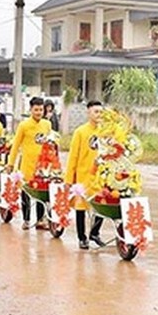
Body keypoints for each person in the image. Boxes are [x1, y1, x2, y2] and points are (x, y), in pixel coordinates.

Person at [64, 100, 105, 249]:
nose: (99, 114)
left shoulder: (105, 131)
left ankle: (95, 232)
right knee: (80, 207)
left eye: (101, 112)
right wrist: (69, 179)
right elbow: (73, 156)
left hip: (100, 176)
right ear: (88, 113)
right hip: (83, 176)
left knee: (102, 204)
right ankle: (82, 237)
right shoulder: (80, 132)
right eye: (96, 112)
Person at [8, 97, 52, 230]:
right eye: (36, 109)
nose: (39, 112)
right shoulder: (24, 125)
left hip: (42, 166)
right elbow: (15, 146)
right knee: (26, 192)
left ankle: (40, 220)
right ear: (30, 110)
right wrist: (11, 163)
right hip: (27, 165)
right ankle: (26, 219)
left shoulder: (47, 124)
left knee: (41, 192)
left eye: (41, 109)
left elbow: (50, 143)